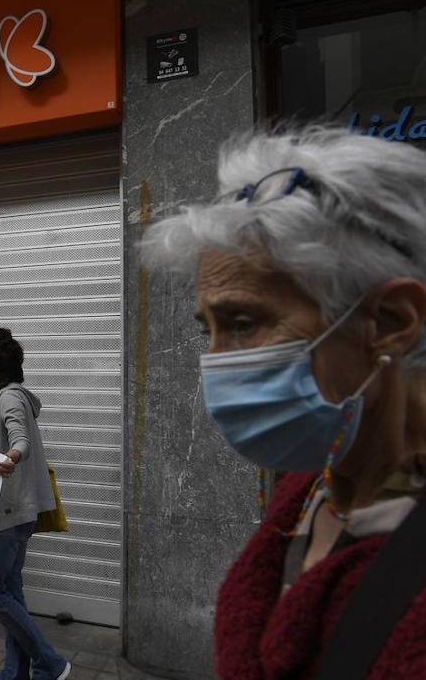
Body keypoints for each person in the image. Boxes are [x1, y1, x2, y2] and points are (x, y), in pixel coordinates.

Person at [143, 129, 426, 677]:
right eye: (208, 330)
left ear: (391, 322)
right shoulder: (313, 486)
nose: (216, 364)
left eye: (244, 324)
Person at [0, 327, 69, 680]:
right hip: (15, 512)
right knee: (9, 591)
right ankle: (15, 672)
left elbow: (19, 439)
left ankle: (50, 662)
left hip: (7, 514)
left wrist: (13, 455)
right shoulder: (5, 396)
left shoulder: (10, 398)